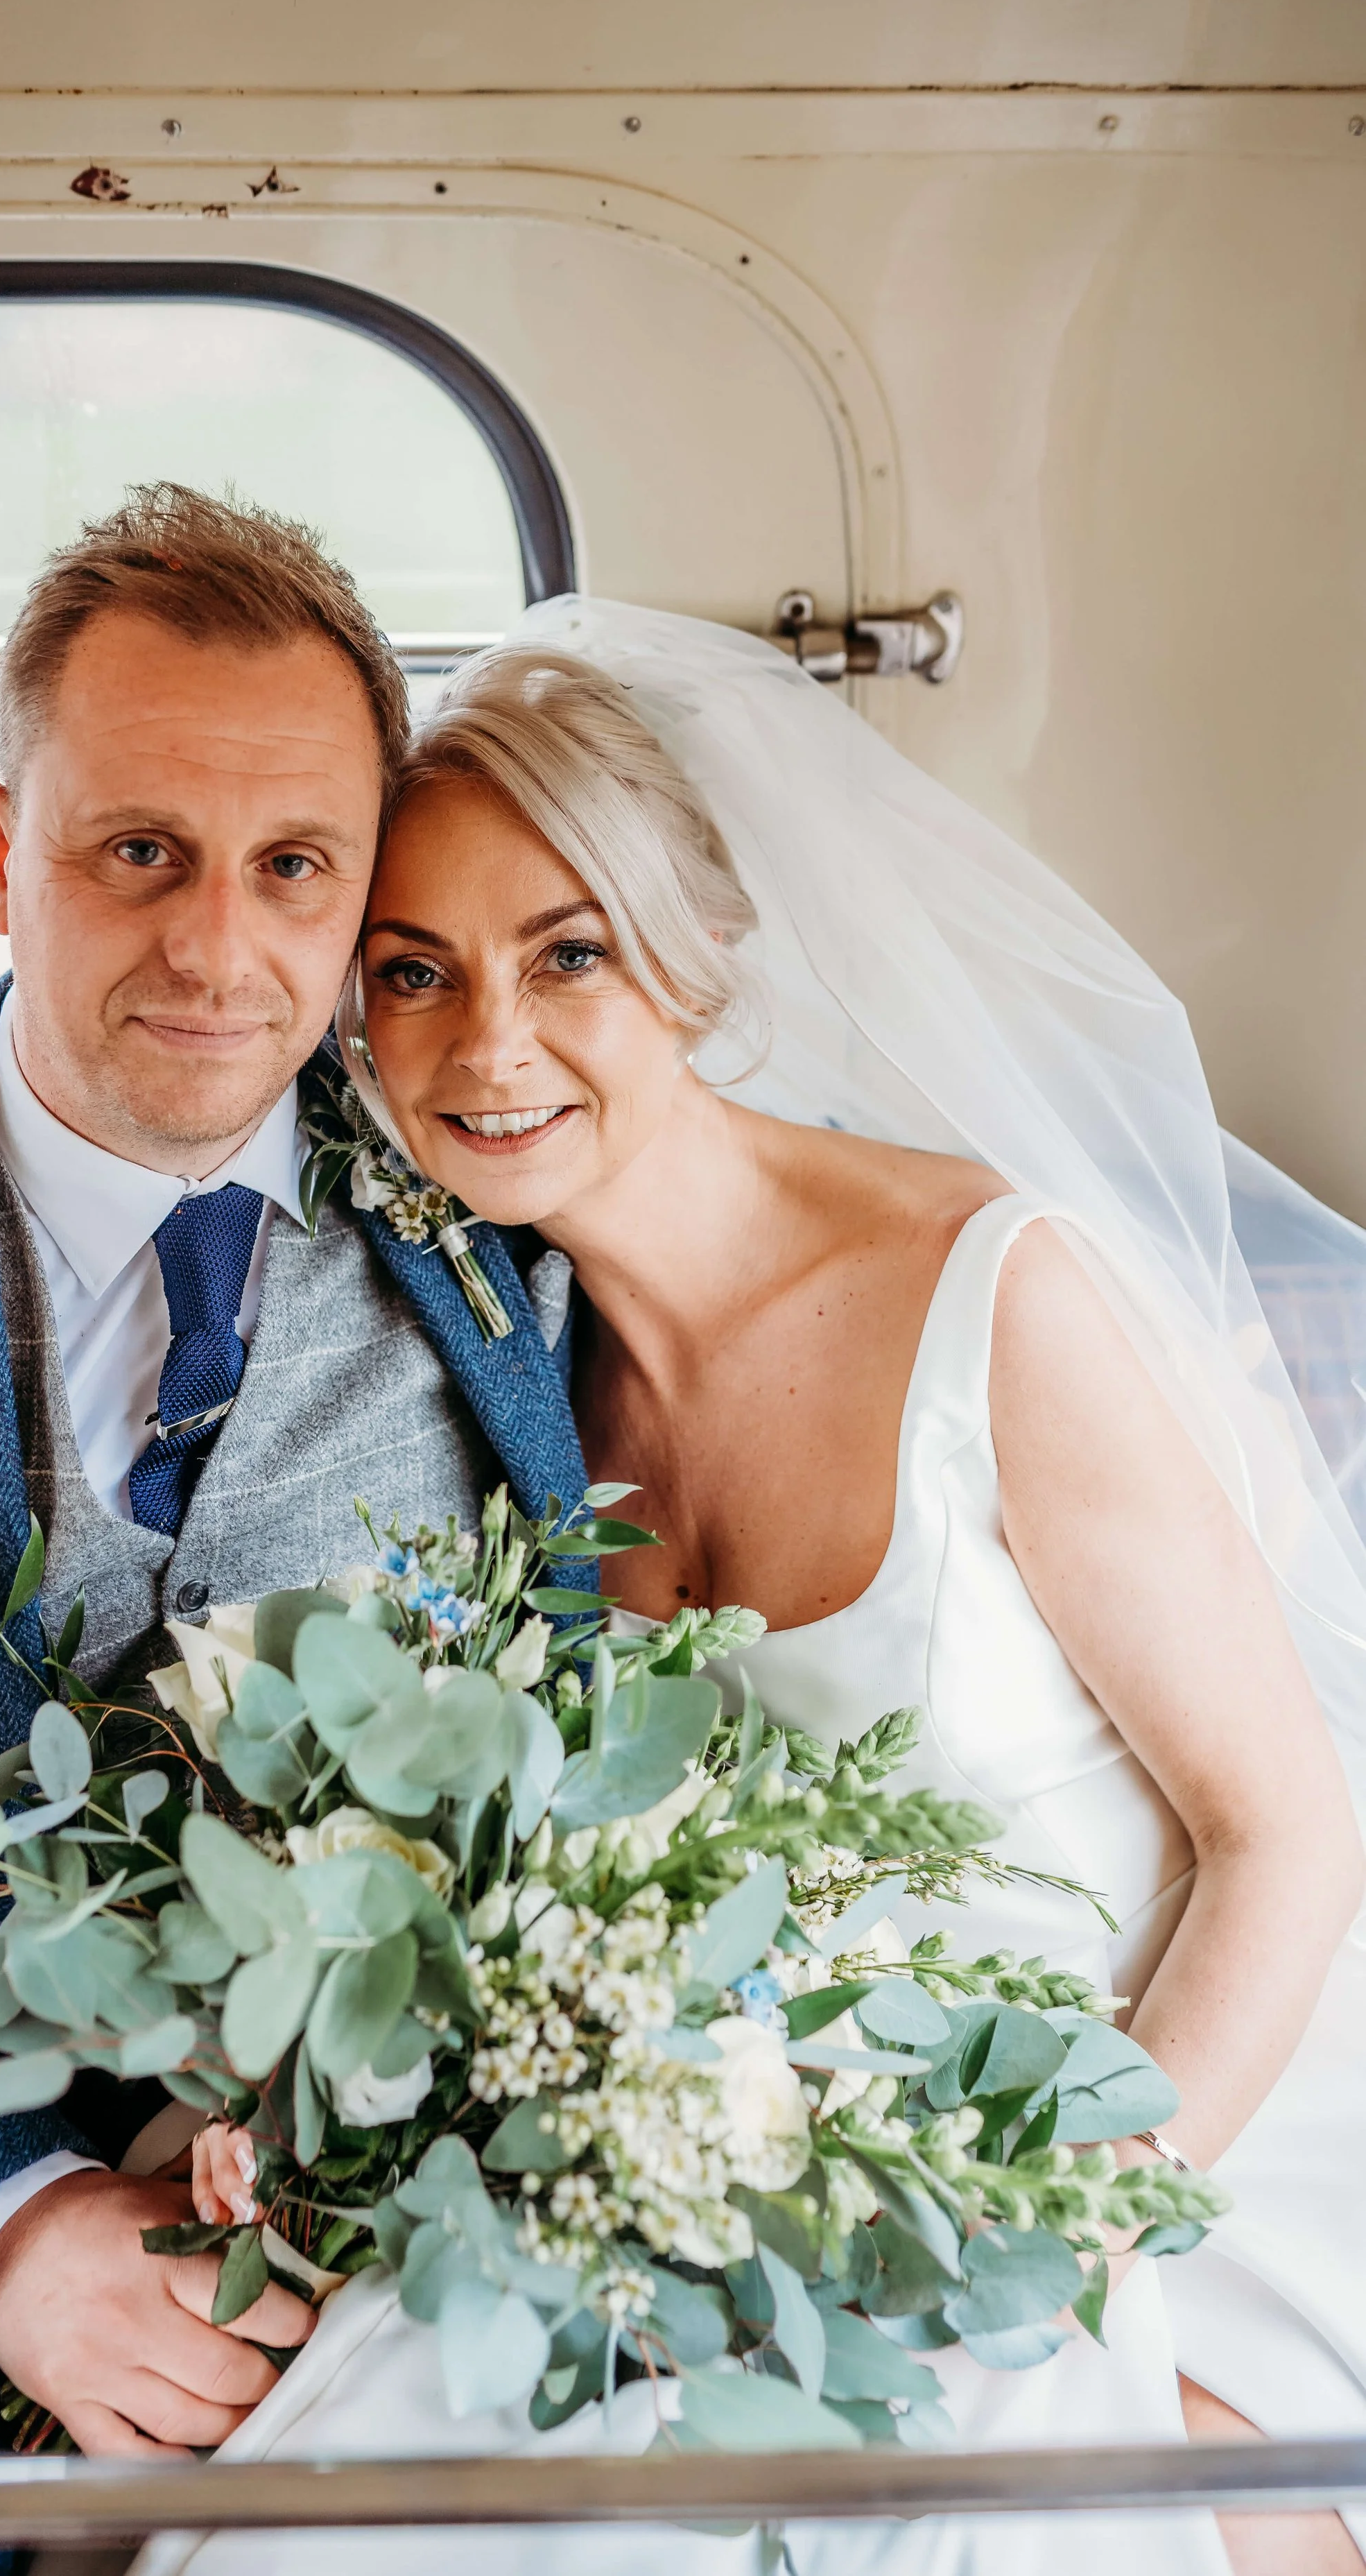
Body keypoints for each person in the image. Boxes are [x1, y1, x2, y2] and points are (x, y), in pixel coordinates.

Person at [333, 603, 1366, 2576]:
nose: (487, 1043)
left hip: (1167, 2135)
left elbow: (1284, 1839)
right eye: (412, 973)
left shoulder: (999, 1300)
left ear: (698, 964)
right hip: (759, 2179)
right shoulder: (500, 1380)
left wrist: (1061, 2238)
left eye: (569, 954)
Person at [0, 488, 587, 2576]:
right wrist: (10, 2238)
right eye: (135, 848)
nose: (215, 949)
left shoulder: (526, 1224)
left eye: (291, 868)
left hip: (419, 2146)